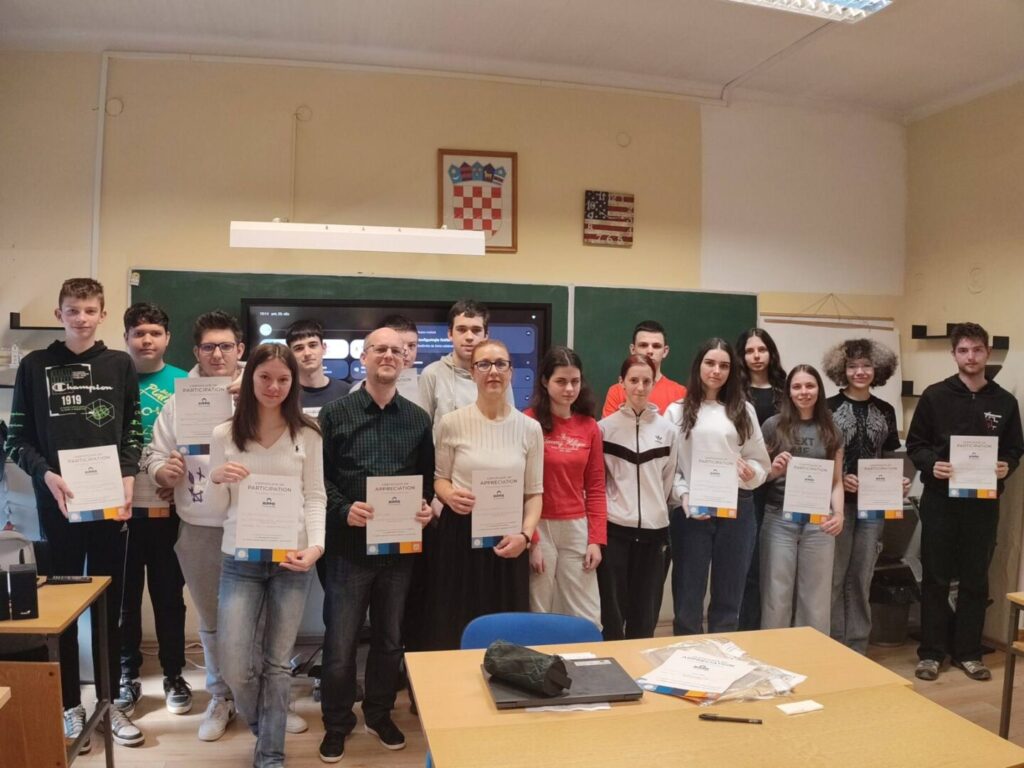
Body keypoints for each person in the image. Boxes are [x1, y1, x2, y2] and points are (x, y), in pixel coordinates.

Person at [3, 278, 144, 749]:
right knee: (61, 608)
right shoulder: (35, 366)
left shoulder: (120, 364)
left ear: (102, 314)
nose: (81, 318)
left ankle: (109, 703)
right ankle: (69, 706)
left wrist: (128, 478)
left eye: (89, 310)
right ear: (59, 314)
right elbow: (16, 440)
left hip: (110, 505)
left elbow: (133, 434)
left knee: (109, 606)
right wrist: (47, 475)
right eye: (72, 310)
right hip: (57, 505)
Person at [204, 343, 325, 768]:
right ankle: (263, 724)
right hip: (241, 560)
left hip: (292, 561)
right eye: (265, 377)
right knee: (235, 664)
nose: (274, 386)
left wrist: (316, 547)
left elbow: (316, 496)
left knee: (276, 664)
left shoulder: (308, 434)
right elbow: (217, 510)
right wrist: (215, 479)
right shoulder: (224, 435)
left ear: (294, 383)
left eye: (283, 379)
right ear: (249, 378)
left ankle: (270, 755)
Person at [318, 327, 434, 762]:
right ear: (363, 357)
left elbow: (426, 480)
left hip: (398, 552)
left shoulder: (418, 419)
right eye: (379, 349)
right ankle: (337, 722)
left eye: (396, 350)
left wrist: (425, 507)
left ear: (406, 360)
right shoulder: (334, 414)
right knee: (340, 644)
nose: (388, 355)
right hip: (347, 549)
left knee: (389, 640)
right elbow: (318, 478)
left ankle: (379, 714)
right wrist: (343, 507)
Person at [146, 310, 245, 741]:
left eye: (225, 346)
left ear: (240, 349)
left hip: (256, 526)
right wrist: (162, 471)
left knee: (257, 618)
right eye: (209, 347)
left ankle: (260, 698)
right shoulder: (177, 402)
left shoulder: (264, 389)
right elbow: (154, 454)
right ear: (196, 352)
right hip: (200, 525)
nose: (217, 354)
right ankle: (221, 697)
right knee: (212, 620)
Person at [907, 322, 1024, 682]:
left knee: (975, 578)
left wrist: (1007, 466)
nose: (970, 357)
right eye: (963, 350)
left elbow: (1015, 448)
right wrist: (932, 464)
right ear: (954, 354)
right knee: (936, 577)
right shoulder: (935, 396)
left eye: (976, 350)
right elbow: (916, 445)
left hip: (982, 504)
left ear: (987, 353)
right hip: (940, 501)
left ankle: (969, 653)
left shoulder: (1004, 402)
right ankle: (931, 653)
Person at [421, 339, 543, 650]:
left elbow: (534, 493)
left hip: (509, 539)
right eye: (484, 364)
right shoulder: (451, 423)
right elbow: (440, 479)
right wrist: (449, 495)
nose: (493, 371)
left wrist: (525, 537)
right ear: (473, 373)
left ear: (511, 372)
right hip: (460, 535)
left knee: (505, 628)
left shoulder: (530, 428)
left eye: (501, 364)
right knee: (455, 622)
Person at [667, 338, 770, 635]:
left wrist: (750, 472)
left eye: (724, 366)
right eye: (710, 363)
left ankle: (722, 654)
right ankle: (686, 652)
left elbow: (760, 463)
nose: (716, 371)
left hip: (737, 507)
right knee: (687, 594)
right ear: (698, 366)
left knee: (729, 594)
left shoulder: (743, 410)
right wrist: (683, 496)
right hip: (691, 510)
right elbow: (670, 468)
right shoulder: (676, 411)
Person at [118, 302, 191, 716]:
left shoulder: (185, 382)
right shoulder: (113, 377)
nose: (147, 340)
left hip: (169, 507)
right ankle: (127, 675)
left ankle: (173, 674)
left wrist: (181, 485)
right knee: (125, 599)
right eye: (139, 333)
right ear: (126, 337)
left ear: (167, 338)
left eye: (155, 333)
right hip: (122, 508)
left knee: (169, 596)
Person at [823, 338, 905, 654]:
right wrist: (839, 479)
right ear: (841, 370)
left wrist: (897, 483)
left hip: (873, 508)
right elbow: (820, 456)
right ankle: (832, 644)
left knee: (861, 576)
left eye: (866, 365)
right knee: (834, 576)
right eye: (853, 366)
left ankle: (857, 645)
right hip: (836, 506)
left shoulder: (885, 410)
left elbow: (888, 457)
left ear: (877, 369)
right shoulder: (828, 408)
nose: (860, 372)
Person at [525, 346, 607, 627]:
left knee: (588, 615)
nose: (569, 389)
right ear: (545, 381)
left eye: (575, 381)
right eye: (561, 381)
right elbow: (521, 486)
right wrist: (532, 540)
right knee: (539, 609)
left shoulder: (590, 426)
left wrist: (595, 540)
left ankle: (587, 655)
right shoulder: (528, 422)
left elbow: (595, 487)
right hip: (539, 525)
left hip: (577, 527)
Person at [597, 354, 678, 639]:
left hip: (655, 535)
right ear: (621, 382)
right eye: (633, 380)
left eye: (646, 381)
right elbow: (600, 482)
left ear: (654, 383)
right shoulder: (604, 429)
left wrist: (655, 511)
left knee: (645, 619)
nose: (640, 387)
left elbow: (667, 481)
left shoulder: (668, 431)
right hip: (615, 532)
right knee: (612, 617)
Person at [759, 365, 845, 634]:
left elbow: (836, 481)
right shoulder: (773, 426)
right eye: (797, 387)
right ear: (788, 392)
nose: (803, 392)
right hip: (779, 518)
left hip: (819, 521)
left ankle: (810, 655)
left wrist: (839, 514)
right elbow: (760, 476)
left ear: (819, 390)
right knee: (776, 595)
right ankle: (774, 654)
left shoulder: (832, 430)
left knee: (816, 598)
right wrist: (774, 470)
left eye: (810, 386)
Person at [735, 328, 787, 630]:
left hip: (781, 488)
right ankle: (746, 628)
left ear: (771, 353)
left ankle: (770, 628)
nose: (756, 356)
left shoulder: (785, 390)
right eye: (749, 351)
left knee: (776, 565)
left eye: (762, 350)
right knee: (749, 563)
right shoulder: (736, 392)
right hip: (748, 485)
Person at [418, 299, 514, 425]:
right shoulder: (431, 374)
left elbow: (510, 423)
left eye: (476, 330)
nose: (469, 337)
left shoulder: (497, 375)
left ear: (486, 335)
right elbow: (422, 428)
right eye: (462, 330)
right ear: (450, 334)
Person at [601, 321, 686, 418]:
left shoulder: (680, 393)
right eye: (643, 345)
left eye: (656, 346)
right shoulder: (616, 391)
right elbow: (609, 426)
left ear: (665, 351)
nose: (650, 351)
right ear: (633, 349)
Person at [286, 318, 349, 416]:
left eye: (312, 345)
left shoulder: (347, 392)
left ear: (324, 348)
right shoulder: (284, 394)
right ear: (290, 354)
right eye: (299, 348)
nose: (307, 353)